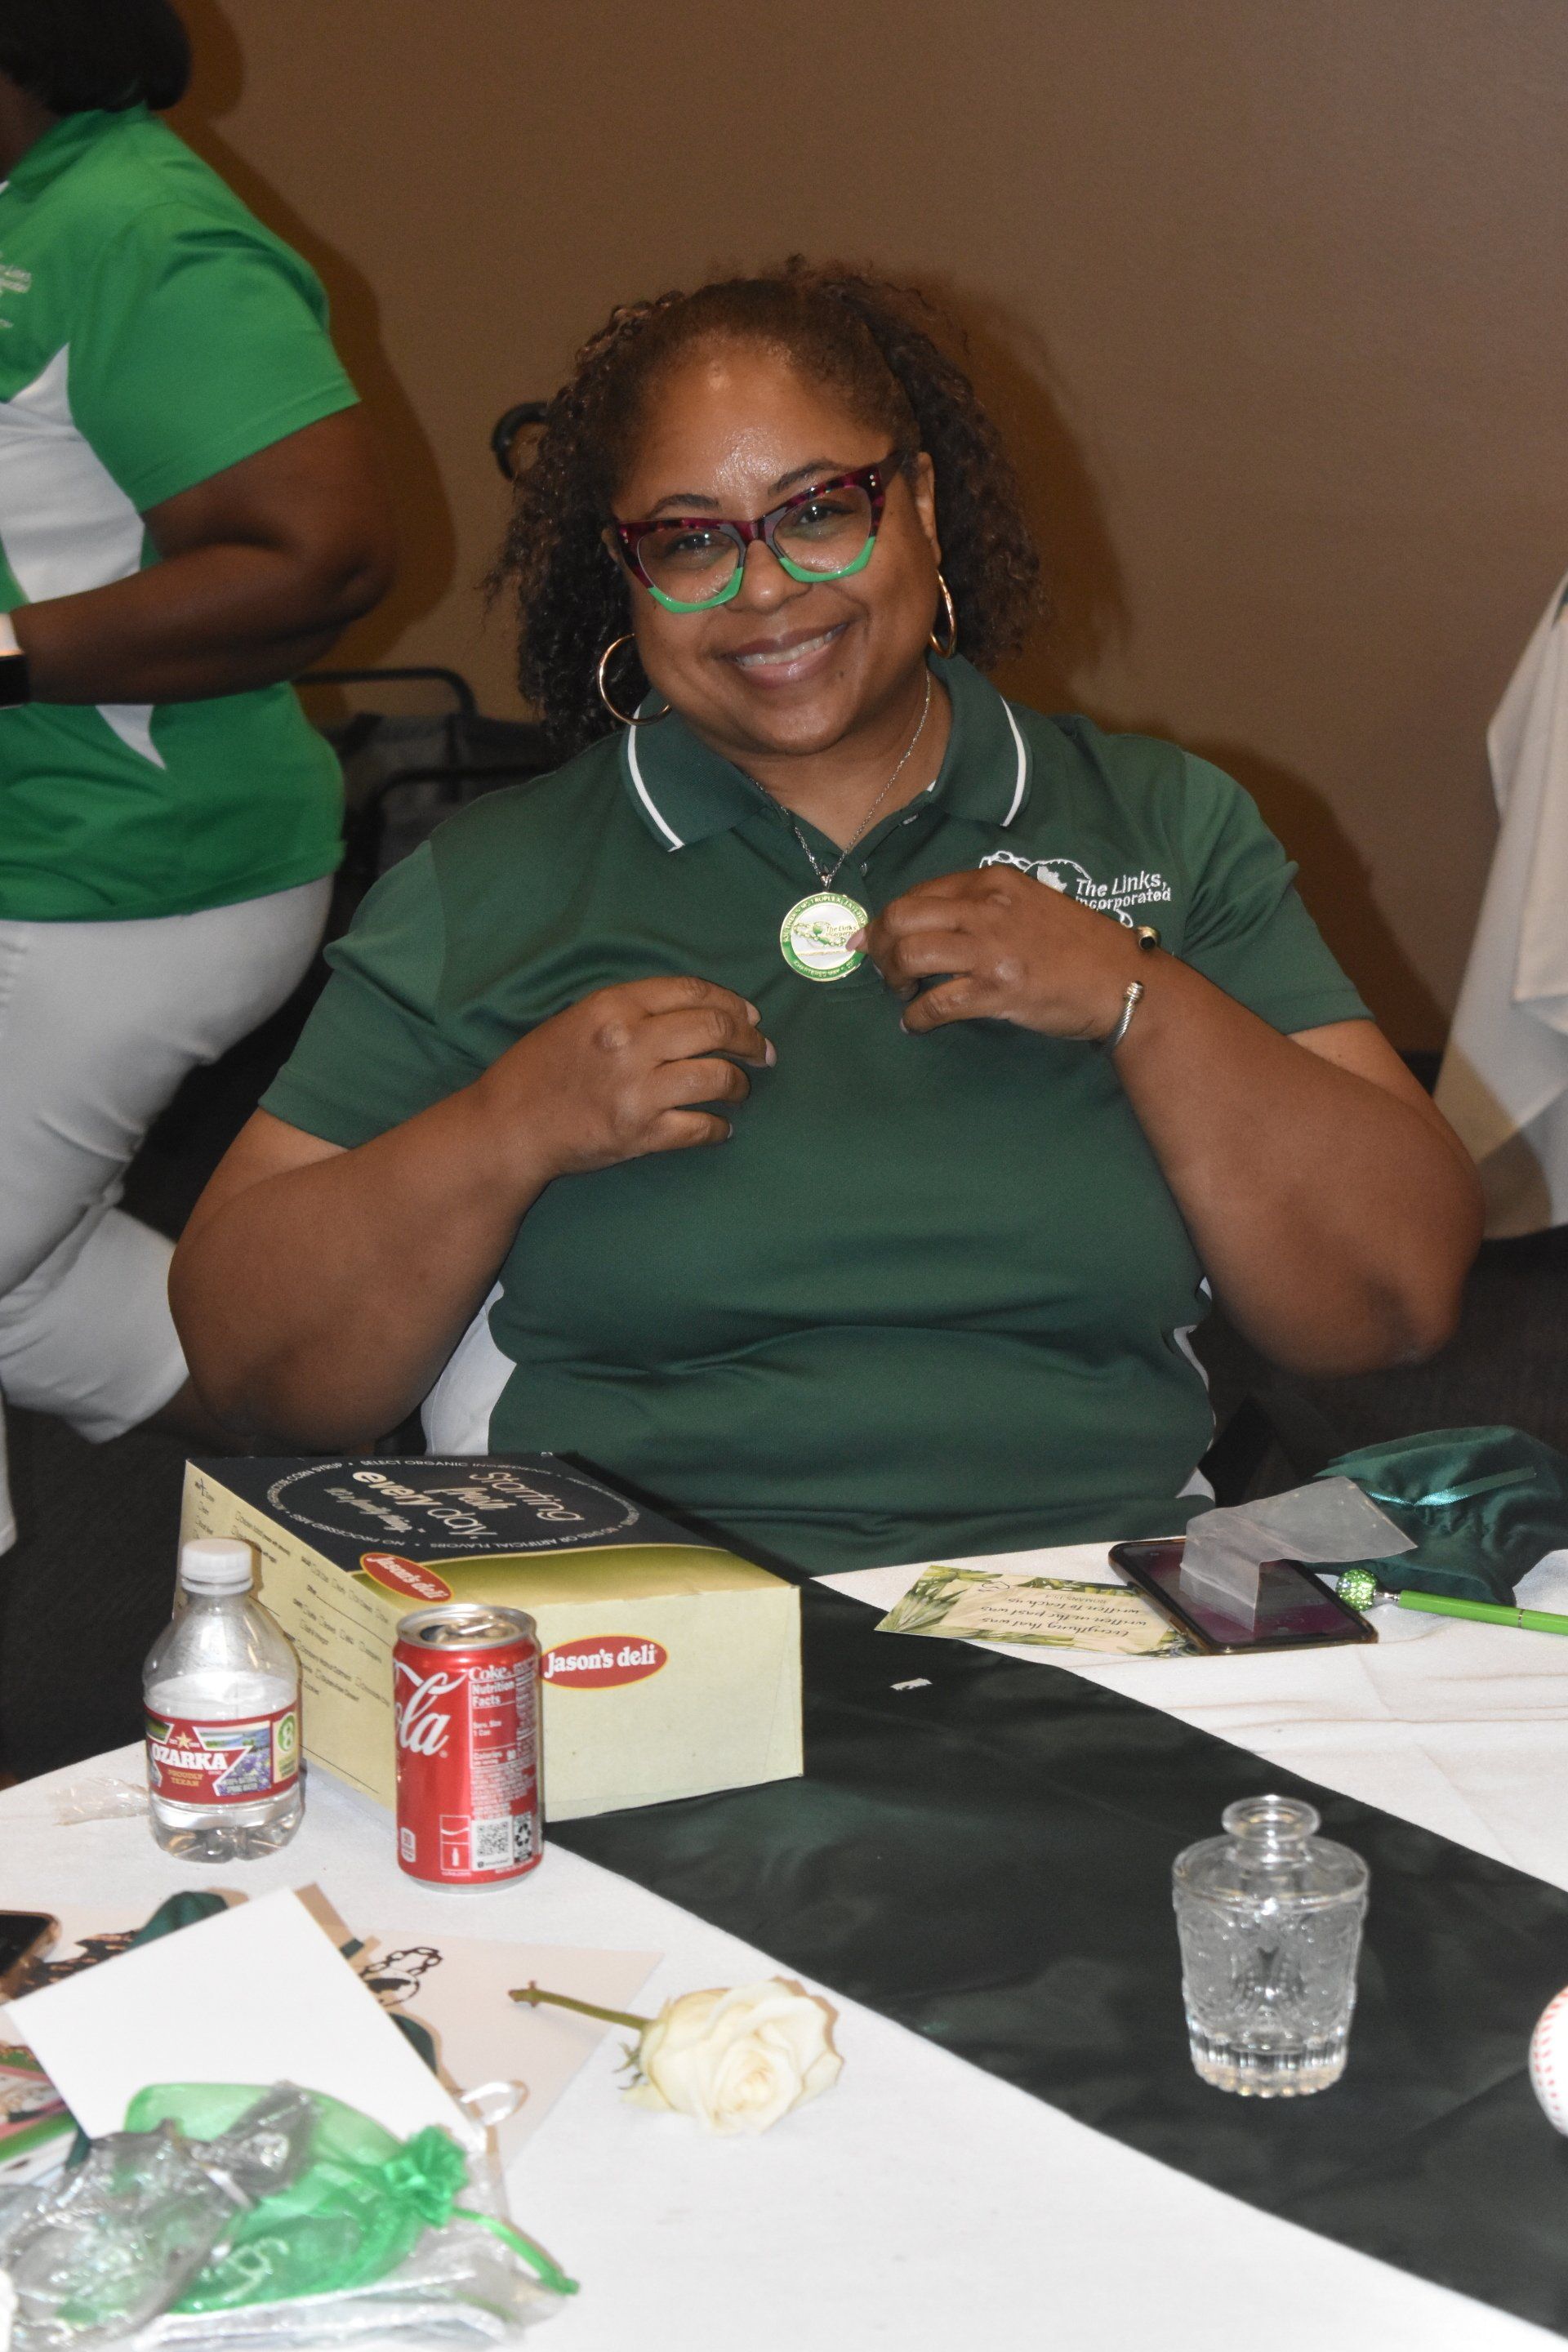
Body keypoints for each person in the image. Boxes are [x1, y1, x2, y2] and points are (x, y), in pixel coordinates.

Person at [170, 264, 1480, 1576]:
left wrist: (1140, 999)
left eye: (816, 511)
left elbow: (1392, 1303)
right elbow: (253, 1372)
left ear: (914, 502)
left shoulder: (1161, 828)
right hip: (629, 1619)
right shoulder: (494, 879)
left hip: (1098, 1598)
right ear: (624, 570)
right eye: (691, 537)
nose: (763, 587)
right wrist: (504, 1130)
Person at [0, 0, 394, 1550]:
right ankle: (398, 1479)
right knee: (17, 1289)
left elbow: (322, 553)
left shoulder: (136, 225)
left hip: (130, 877)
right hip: (43, 855)